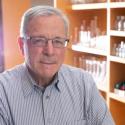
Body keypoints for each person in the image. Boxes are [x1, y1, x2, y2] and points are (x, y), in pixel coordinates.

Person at [0, 5, 115, 125]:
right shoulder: (3, 91)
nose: (49, 51)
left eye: (58, 41)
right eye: (39, 40)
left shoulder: (84, 84)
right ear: (21, 45)